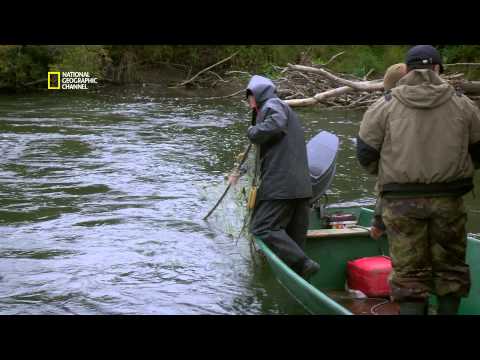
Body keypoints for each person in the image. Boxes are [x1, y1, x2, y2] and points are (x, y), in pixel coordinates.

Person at [357, 45, 480, 315]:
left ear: (407, 70)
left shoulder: (384, 106)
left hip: (400, 204)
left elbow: (365, 153)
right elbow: (479, 150)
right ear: (438, 69)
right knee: (450, 270)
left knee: (409, 275)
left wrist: (390, 172)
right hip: (449, 201)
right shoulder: (464, 104)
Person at [245, 75, 320, 279]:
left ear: (258, 93)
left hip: (281, 186)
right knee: (295, 241)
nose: (249, 101)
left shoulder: (273, 104)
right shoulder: (279, 107)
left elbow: (276, 123)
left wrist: (253, 131)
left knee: (261, 227)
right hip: (301, 188)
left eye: (250, 95)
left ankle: (304, 263)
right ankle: (302, 275)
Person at [370, 63, 408, 241]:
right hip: (447, 201)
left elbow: (368, 156)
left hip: (401, 204)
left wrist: (378, 222)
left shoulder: (384, 112)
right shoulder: (453, 104)